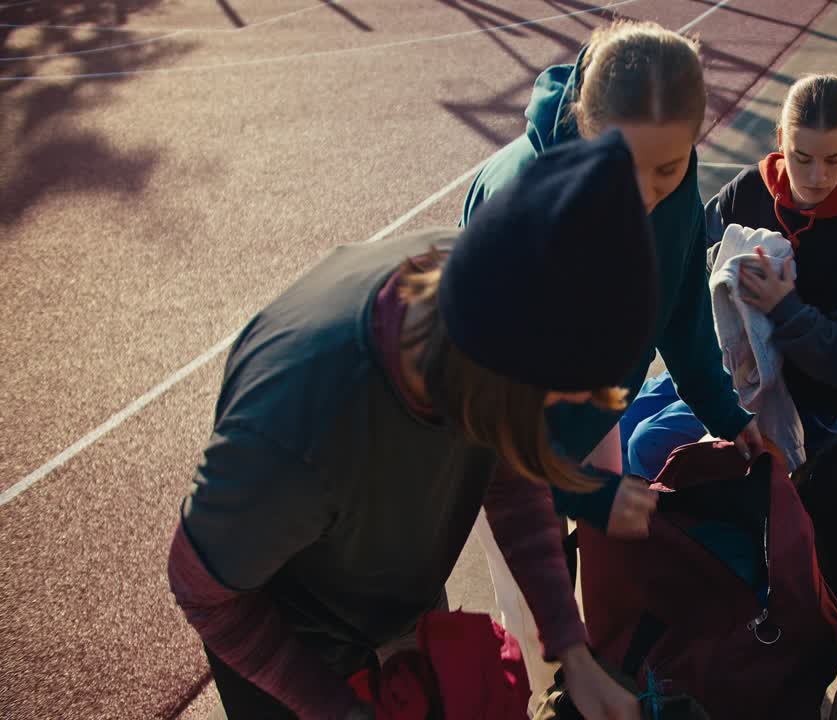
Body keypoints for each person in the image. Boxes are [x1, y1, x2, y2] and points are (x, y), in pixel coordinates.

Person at [167, 131, 659, 720]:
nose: (559, 411)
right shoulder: (295, 434)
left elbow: (508, 468)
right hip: (293, 644)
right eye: (557, 392)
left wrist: (570, 649)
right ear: (502, 356)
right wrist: (337, 710)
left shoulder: (489, 303)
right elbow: (205, 593)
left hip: (392, 585)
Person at [460, 19, 764, 699]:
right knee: (544, 633)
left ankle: (603, 678)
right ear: (583, 125)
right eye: (623, 168)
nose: (646, 194)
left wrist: (725, 410)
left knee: (608, 598)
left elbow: (681, 312)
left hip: (595, 409)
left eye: (669, 168)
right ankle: (551, 695)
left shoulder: (675, 185)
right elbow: (492, 422)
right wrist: (581, 497)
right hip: (495, 444)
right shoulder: (521, 211)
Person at [622, 73, 837, 479]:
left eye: (834, 159)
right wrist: (721, 274)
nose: (817, 177)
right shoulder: (749, 190)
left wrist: (785, 309)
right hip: (727, 367)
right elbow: (688, 274)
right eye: (801, 157)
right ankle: (631, 533)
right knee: (622, 420)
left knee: (645, 446)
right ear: (781, 139)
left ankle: (663, 536)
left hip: (807, 403)